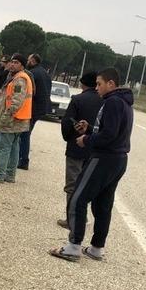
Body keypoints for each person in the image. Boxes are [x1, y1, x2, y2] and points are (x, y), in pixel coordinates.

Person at [49, 67, 133, 262]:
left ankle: (73, 246)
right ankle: (96, 248)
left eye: (99, 84)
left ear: (110, 83)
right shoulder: (124, 102)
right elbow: (111, 131)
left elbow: (109, 135)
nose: (96, 88)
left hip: (103, 158)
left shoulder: (112, 102)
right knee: (103, 204)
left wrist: (86, 139)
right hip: (118, 159)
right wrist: (90, 129)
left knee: (78, 198)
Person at [57, 72, 103, 229]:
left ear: (83, 83)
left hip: (76, 147)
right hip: (94, 148)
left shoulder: (78, 99)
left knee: (72, 184)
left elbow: (66, 122)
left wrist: (68, 137)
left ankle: (72, 219)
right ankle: (82, 217)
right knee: (86, 184)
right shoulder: (104, 101)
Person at [0, 53, 32, 183]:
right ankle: (10, 175)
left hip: (12, 119)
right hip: (19, 119)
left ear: (22, 66)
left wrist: (6, 116)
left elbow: (16, 101)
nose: (12, 64)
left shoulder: (20, 79)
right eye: (12, 62)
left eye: (16, 62)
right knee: (14, 147)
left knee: (4, 147)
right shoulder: (16, 77)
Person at [18, 53, 52, 170]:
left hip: (33, 108)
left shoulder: (31, 73)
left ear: (32, 61)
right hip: (42, 108)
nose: (27, 62)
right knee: (26, 133)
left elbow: (30, 91)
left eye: (28, 60)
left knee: (24, 134)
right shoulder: (45, 73)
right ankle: (21, 159)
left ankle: (23, 160)